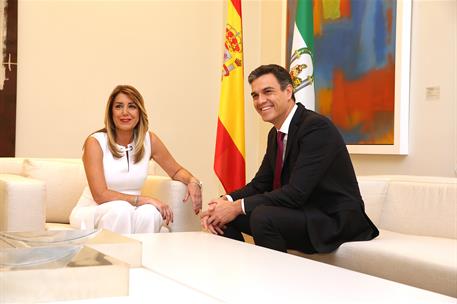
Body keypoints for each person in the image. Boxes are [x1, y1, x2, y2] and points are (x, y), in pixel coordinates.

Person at [201, 64, 378, 253]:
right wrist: (224, 201)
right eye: (255, 95)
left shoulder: (316, 128)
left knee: (262, 216)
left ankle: (275, 281)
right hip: (302, 212)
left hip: (333, 219)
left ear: (288, 91)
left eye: (268, 92)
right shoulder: (275, 134)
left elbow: (296, 193)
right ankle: (238, 273)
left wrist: (236, 207)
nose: (260, 101)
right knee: (223, 217)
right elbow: (260, 184)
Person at [70, 85, 202, 233]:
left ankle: (145, 256)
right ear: (111, 112)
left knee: (150, 214)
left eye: (132, 106)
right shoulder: (95, 142)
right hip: (92, 210)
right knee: (121, 210)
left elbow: (176, 170)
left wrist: (192, 181)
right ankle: (114, 256)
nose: (125, 112)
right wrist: (146, 200)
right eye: (118, 106)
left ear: (139, 112)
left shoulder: (149, 140)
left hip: (131, 209)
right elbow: (100, 195)